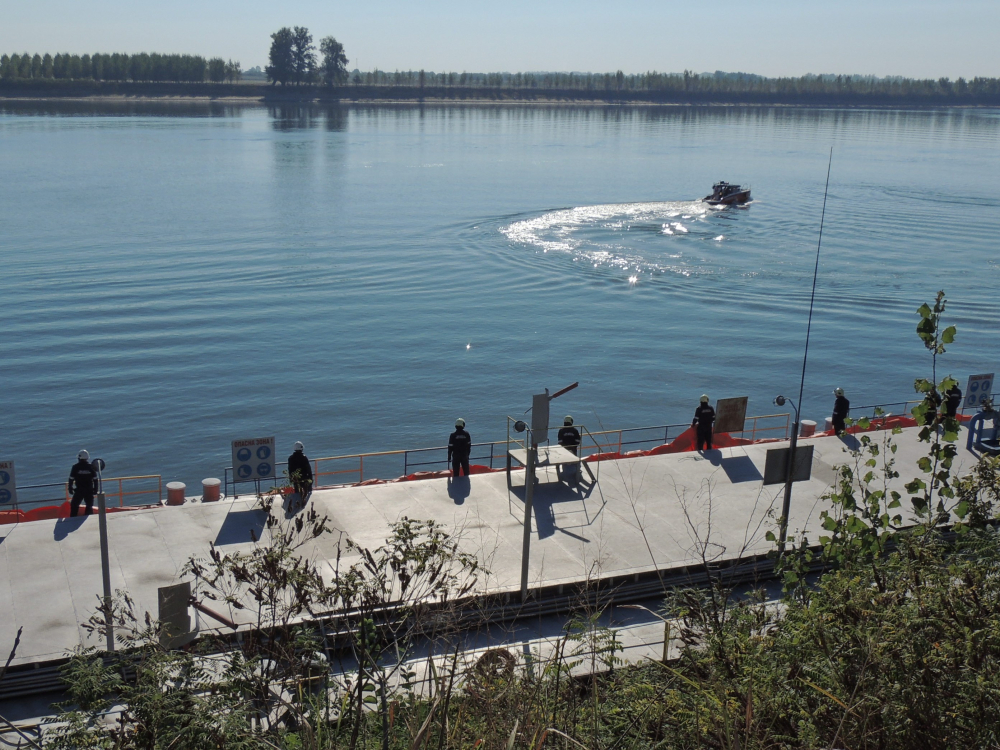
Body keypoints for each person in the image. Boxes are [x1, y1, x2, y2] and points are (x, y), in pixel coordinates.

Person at [68, 450, 98, 518]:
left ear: (79, 458)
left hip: (79, 490)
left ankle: (72, 520)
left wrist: (70, 488)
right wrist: (96, 489)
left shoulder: (75, 467)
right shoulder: (91, 467)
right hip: (89, 490)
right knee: (89, 506)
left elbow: (71, 479)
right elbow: (95, 479)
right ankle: (88, 519)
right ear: (87, 458)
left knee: (74, 506)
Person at [287, 441, 313, 506]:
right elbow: (308, 469)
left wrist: (291, 479)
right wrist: (311, 479)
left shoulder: (290, 458)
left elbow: (290, 470)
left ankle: (297, 503)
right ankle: (303, 501)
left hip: (295, 479)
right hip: (304, 478)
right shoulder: (304, 457)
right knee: (306, 491)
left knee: (297, 492)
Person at [557, 415, 582, 480]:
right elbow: (578, 440)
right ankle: (574, 463)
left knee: (564, 461)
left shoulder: (561, 430)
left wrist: (565, 448)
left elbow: (560, 442)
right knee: (575, 459)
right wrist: (573, 447)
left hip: (564, 450)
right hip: (573, 449)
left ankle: (564, 462)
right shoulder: (575, 430)